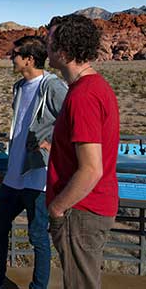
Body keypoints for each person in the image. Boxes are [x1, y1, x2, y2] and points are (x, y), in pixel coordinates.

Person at [46, 14, 119, 289]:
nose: (46, 45)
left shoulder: (83, 96)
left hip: (81, 212)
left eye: (50, 40)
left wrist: (57, 207)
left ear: (64, 50)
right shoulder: (94, 87)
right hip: (89, 209)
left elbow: (91, 169)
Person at [0, 36, 67, 289]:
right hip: (14, 177)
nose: (12, 58)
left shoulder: (52, 87)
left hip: (38, 177)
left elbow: (73, 122)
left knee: (37, 237)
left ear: (29, 59)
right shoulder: (19, 87)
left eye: (15, 54)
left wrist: (53, 146)